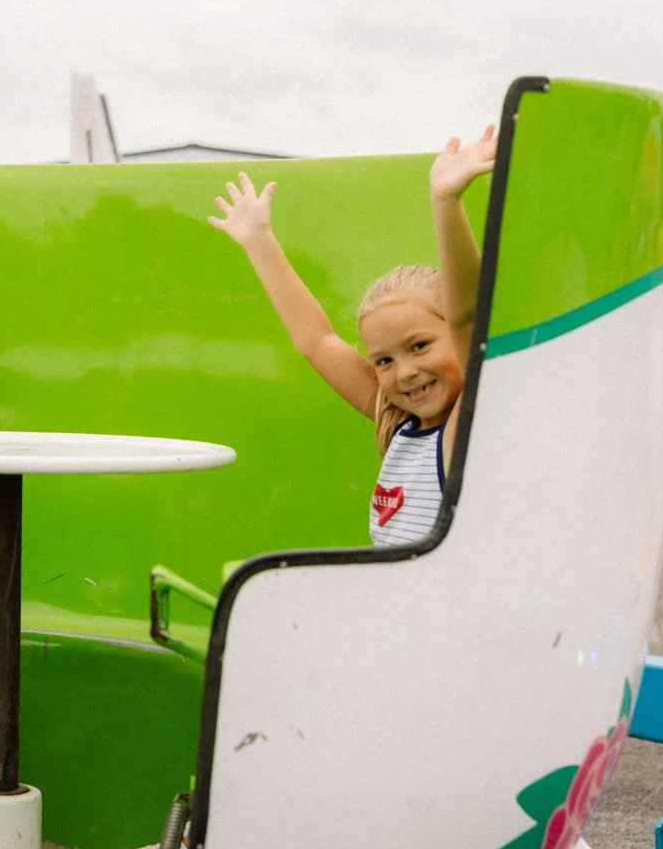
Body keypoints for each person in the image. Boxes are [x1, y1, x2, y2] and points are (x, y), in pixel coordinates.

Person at [207, 126, 496, 547]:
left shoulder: (466, 426)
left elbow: (468, 315)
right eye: (384, 361)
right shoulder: (401, 426)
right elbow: (317, 341)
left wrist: (446, 202)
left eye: (419, 346)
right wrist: (258, 241)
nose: (406, 372)